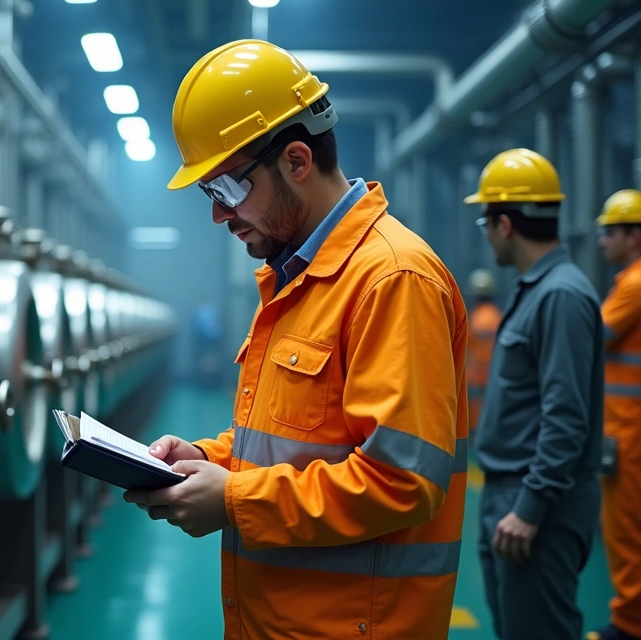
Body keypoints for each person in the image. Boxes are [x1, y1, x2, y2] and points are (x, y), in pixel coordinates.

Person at [121, 39, 468, 639]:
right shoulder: (298, 278)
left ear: (297, 161)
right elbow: (297, 438)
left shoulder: (391, 278)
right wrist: (210, 460)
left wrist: (234, 501)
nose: (218, 216)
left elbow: (402, 482)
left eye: (226, 190)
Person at [466, 148, 603, 640]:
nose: (486, 234)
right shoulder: (538, 289)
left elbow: (567, 416)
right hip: (512, 490)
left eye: (485, 221)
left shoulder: (560, 295)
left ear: (504, 225)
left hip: (534, 500)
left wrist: (530, 507)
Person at [589, 188, 641, 640]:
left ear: (635, 236)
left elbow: (596, 335)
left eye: (610, 232)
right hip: (626, 424)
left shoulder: (636, 284)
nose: (603, 241)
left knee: (625, 527)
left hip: (630, 429)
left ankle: (629, 624)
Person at [467, 268, 503, 449]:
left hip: (475, 377)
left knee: (475, 418)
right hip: (493, 376)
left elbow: (467, 345)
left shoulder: (474, 318)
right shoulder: (498, 317)